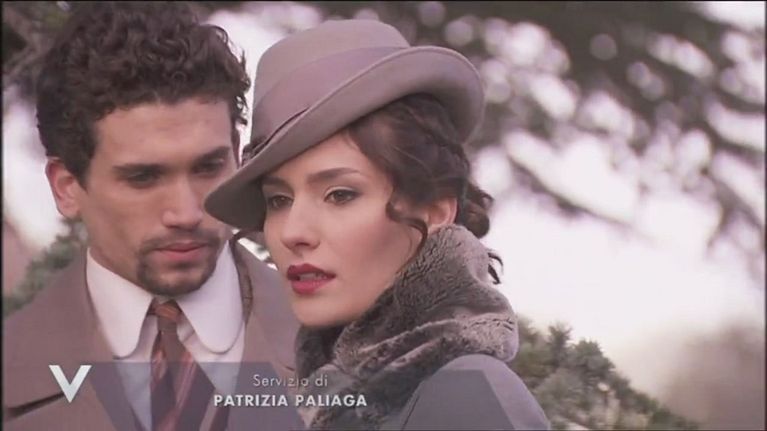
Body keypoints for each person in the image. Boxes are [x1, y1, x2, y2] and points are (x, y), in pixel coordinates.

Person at [205, 19, 550, 430]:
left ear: (434, 211)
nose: (293, 232)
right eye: (278, 200)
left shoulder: (467, 398)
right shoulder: (331, 398)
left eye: (340, 195)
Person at [2, 3, 299, 430]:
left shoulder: (352, 350)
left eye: (208, 167)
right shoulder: (14, 365)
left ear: (237, 154)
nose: (187, 213)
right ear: (66, 187)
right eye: (143, 178)